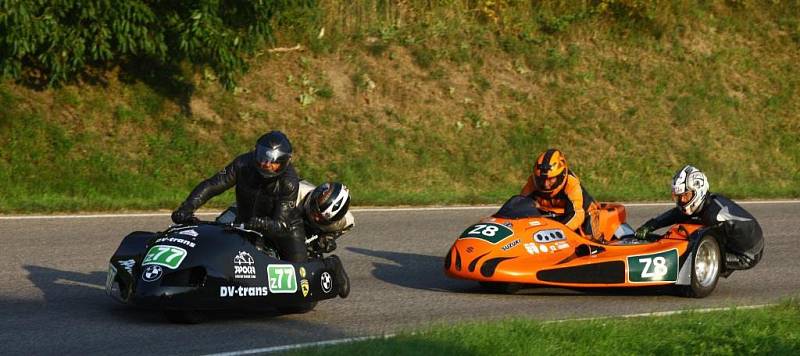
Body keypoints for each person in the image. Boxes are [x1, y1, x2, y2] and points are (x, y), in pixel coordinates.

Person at [170, 131, 307, 263]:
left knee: (300, 274)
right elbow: (213, 184)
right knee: (214, 246)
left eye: (273, 161)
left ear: (283, 162)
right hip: (245, 223)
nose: (266, 164)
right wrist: (187, 207)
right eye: (262, 157)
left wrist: (264, 223)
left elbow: (281, 224)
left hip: (285, 229)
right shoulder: (242, 164)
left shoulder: (289, 182)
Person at [634, 165, 764, 270]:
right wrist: (650, 225)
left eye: (686, 196)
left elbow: (699, 240)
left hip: (748, 254)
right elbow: (675, 214)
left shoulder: (714, 216)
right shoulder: (705, 203)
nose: (682, 200)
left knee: (694, 257)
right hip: (737, 239)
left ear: (698, 191)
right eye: (679, 197)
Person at [520, 148, 599, 238]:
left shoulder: (571, 183)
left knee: (590, 239)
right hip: (550, 213)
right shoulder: (533, 182)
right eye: (542, 179)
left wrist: (555, 233)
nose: (546, 184)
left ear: (561, 175)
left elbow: (577, 215)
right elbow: (520, 205)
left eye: (550, 179)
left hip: (581, 213)